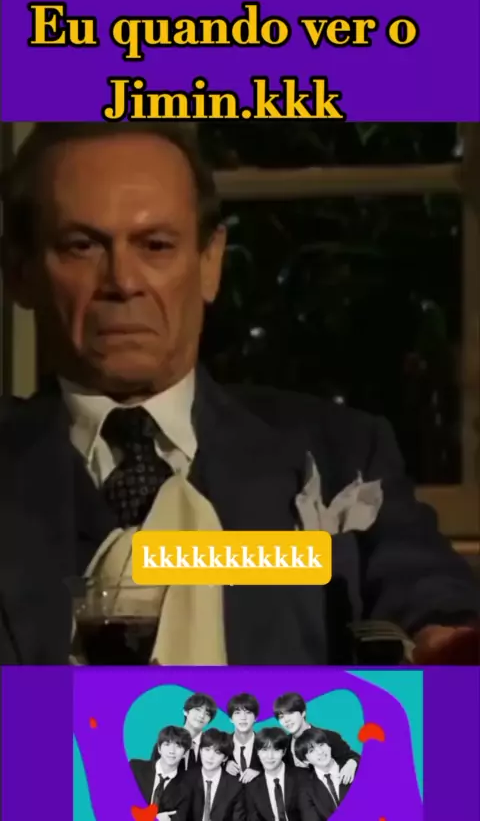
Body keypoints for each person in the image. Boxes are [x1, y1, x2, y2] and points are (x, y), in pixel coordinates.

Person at [0, 121, 479, 666]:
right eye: (82, 246)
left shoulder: (342, 457)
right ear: (19, 272)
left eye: (156, 245)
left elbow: (437, 606)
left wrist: (449, 647)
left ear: (210, 262)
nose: (124, 282)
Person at [273, 693, 358, 781]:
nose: (286, 720)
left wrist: (352, 763)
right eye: (281, 717)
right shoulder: (283, 745)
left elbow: (352, 756)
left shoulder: (328, 736)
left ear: (303, 712)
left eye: (291, 713)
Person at [130, 725, 192, 821]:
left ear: (185, 753)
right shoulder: (135, 768)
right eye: (167, 744)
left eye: (178, 746)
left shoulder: (187, 786)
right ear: (159, 748)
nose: (172, 751)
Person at [245, 727, 307, 821]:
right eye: (264, 750)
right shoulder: (251, 786)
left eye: (276, 750)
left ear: (284, 752)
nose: (270, 756)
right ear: (257, 752)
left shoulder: (303, 776)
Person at [185, 728, 246, 821]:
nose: (210, 757)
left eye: (218, 753)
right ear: (200, 751)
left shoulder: (235, 786)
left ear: (225, 758)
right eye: (207, 750)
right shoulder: (186, 779)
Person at [295, 728, 355, 820]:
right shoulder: (305, 789)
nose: (320, 752)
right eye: (311, 750)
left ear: (329, 746)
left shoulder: (354, 768)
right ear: (306, 761)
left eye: (321, 745)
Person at [225, 693, 262, 782]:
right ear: (230, 719)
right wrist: (224, 764)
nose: (243, 718)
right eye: (237, 713)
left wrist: (260, 772)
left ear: (256, 718)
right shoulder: (222, 742)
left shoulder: (265, 743)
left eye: (248, 712)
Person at [181, 694, 218, 771]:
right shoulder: (169, 738)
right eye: (198, 709)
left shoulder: (212, 744)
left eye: (207, 713)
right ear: (185, 711)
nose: (202, 716)